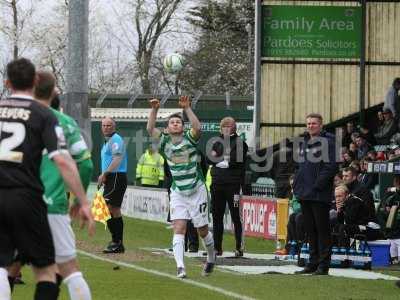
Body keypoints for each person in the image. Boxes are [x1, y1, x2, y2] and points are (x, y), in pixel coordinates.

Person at [0, 58, 92, 300]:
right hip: (34, 200)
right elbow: (70, 161)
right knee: (51, 270)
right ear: (35, 82)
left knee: (3, 266)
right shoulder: (46, 116)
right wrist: (83, 201)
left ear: (7, 82)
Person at [147, 96, 216, 278]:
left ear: (182, 127)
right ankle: (180, 267)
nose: (176, 124)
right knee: (179, 227)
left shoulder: (189, 139)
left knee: (202, 230)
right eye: (172, 122)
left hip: (197, 190)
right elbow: (149, 128)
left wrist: (187, 109)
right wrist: (154, 110)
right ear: (167, 128)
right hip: (178, 192)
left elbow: (197, 127)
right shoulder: (164, 142)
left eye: (178, 122)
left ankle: (211, 256)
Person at [293, 113, 338, 276]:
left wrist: (317, 185)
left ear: (321, 125)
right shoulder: (303, 141)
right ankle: (312, 262)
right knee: (310, 230)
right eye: (308, 123)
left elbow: (331, 166)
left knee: (322, 229)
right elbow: (300, 165)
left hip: (319, 193)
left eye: (314, 123)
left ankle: (323, 265)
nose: (310, 126)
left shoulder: (329, 142)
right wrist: (297, 183)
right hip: (304, 192)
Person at [208, 116, 248, 257]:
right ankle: (217, 248)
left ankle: (239, 247)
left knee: (236, 216)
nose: (225, 128)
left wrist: (218, 159)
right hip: (217, 183)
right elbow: (209, 158)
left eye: (228, 126)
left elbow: (235, 161)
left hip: (233, 184)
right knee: (217, 216)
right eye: (223, 126)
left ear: (234, 127)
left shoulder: (240, 142)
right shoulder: (216, 142)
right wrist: (222, 160)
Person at [99, 117, 128, 253]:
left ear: (114, 127)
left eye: (109, 125)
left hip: (116, 176)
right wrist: (104, 175)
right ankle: (117, 242)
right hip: (112, 177)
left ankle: (116, 241)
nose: (106, 127)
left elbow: (117, 159)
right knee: (114, 209)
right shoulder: (107, 141)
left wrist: (105, 174)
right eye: (104, 125)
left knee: (107, 207)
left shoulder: (116, 140)